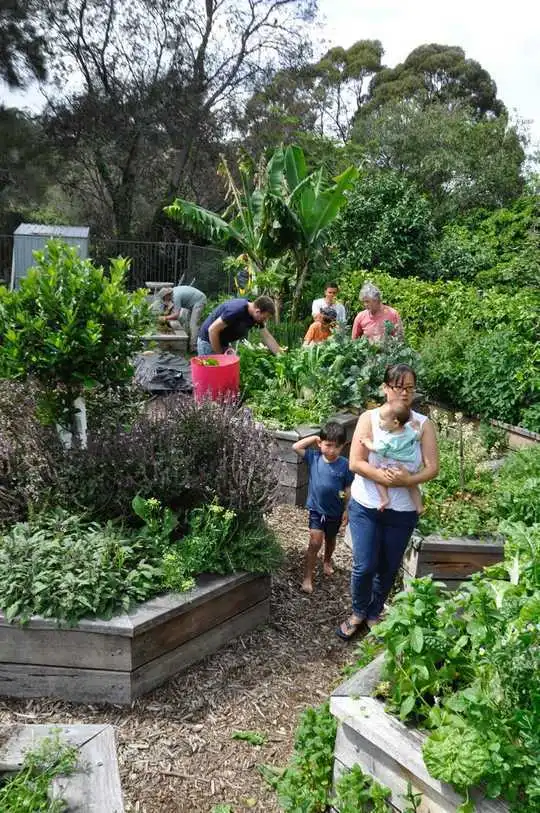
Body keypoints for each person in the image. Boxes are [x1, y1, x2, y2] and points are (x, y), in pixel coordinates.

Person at [337, 364, 439, 641]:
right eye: (399, 387)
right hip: (366, 504)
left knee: (389, 565)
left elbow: (433, 468)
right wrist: (383, 476)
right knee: (364, 564)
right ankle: (358, 611)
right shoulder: (368, 419)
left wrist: (407, 481)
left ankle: (374, 612)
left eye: (410, 388)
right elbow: (357, 462)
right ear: (385, 388)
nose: (405, 393)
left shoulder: (422, 424)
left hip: (403, 510)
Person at [293, 422, 355, 594]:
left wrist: (346, 508)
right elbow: (295, 446)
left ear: (343, 446)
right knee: (315, 542)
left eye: (337, 447)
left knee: (330, 540)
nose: (332, 450)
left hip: (334, 511)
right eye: (328, 445)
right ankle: (308, 577)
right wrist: (314, 438)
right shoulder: (314, 457)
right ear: (320, 443)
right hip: (316, 509)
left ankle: (327, 560)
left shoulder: (345, 465)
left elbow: (346, 489)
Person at [359, 402, 423, 513]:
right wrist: (417, 427)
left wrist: (367, 441)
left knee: (378, 478)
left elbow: (376, 448)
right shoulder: (408, 430)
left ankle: (384, 498)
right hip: (409, 465)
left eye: (382, 419)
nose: (379, 422)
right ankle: (419, 506)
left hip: (394, 466)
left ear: (395, 423)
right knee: (413, 486)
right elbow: (418, 436)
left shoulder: (389, 440)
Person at [197, 295, 281, 356]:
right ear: (258, 311)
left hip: (222, 343)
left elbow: (267, 337)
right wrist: (220, 356)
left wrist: (282, 357)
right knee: (212, 377)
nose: (265, 320)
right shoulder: (236, 310)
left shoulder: (255, 316)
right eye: (265, 318)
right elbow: (212, 330)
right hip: (208, 342)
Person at [158, 285, 207, 353]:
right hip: (192, 302)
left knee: (193, 324)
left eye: (164, 298)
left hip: (199, 300)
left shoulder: (175, 296)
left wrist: (165, 318)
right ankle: (187, 343)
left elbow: (176, 315)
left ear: (167, 295)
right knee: (186, 323)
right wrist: (166, 313)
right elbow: (171, 307)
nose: (164, 300)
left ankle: (194, 348)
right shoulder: (172, 293)